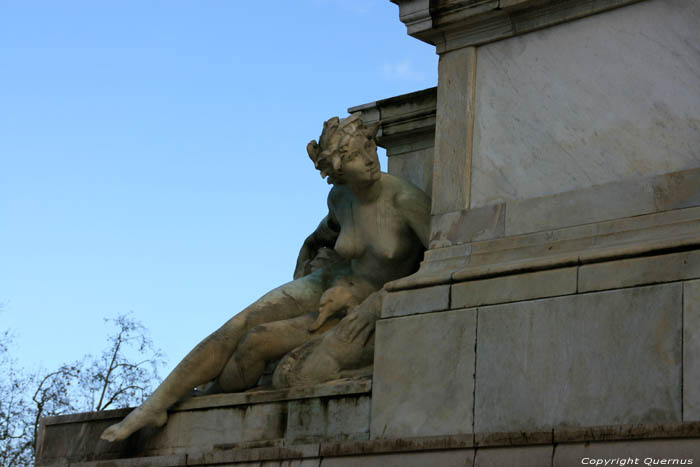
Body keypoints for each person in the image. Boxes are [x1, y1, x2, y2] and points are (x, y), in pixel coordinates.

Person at [100, 114, 430, 442]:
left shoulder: (405, 200)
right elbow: (321, 236)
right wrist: (308, 259)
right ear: (339, 170)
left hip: (361, 301)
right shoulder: (340, 198)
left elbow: (437, 262)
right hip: (329, 280)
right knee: (243, 320)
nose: (370, 159)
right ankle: (156, 404)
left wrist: (378, 302)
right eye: (356, 156)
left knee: (257, 338)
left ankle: (211, 391)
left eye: (368, 147)